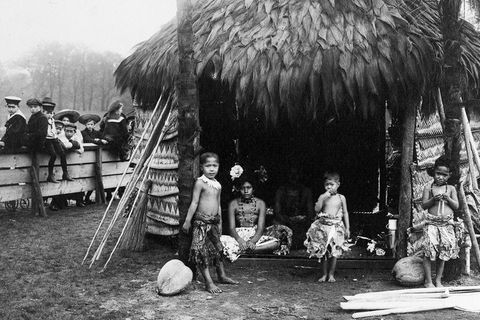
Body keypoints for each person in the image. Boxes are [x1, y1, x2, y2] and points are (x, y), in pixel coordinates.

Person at [182, 152, 238, 293]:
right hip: (201, 223)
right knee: (200, 252)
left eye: (215, 165)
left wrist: (220, 222)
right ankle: (208, 282)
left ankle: (222, 275)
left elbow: (218, 204)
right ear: (202, 167)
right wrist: (188, 221)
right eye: (208, 166)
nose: (212, 169)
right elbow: (194, 202)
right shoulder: (200, 182)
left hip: (214, 223)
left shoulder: (217, 185)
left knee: (218, 249)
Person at [221, 174, 292, 262]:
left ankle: (246, 250)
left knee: (275, 243)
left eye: (249, 188)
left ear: (253, 189)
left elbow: (261, 227)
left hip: (254, 235)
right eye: (243, 188)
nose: (246, 191)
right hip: (237, 236)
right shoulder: (233, 204)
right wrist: (240, 240)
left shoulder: (260, 203)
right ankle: (245, 249)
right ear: (239, 189)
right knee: (220, 241)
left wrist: (253, 241)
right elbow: (231, 228)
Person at [418, 156, 459, 288]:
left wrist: (448, 199)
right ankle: (428, 281)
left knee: (444, 251)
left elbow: (456, 206)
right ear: (433, 172)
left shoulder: (451, 189)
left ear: (449, 175)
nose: (440, 177)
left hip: (446, 225)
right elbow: (424, 205)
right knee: (429, 250)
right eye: (438, 174)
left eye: (444, 175)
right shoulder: (428, 188)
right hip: (432, 224)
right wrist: (433, 200)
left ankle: (438, 280)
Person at [304, 172, 350, 282]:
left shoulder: (341, 197)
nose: (329, 187)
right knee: (323, 251)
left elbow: (345, 213)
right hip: (323, 226)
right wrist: (323, 197)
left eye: (331, 184)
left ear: (338, 184)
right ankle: (324, 274)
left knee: (334, 251)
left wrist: (348, 228)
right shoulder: (323, 197)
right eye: (326, 185)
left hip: (335, 226)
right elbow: (316, 209)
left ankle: (331, 274)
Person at [274, 167, 314, 249]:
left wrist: (302, 218)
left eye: (296, 174)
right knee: (277, 223)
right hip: (285, 222)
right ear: (287, 176)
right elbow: (277, 212)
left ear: (300, 176)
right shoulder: (281, 191)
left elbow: (311, 213)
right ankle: (283, 246)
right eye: (291, 174)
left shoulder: (306, 191)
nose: (293, 177)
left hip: (302, 223)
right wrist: (289, 220)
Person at [42, 97, 73, 183]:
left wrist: (56, 136)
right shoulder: (43, 120)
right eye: (48, 113)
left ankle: (65, 173)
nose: (50, 115)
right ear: (43, 112)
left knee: (63, 153)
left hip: (54, 138)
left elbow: (54, 131)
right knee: (53, 155)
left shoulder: (52, 120)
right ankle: (50, 175)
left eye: (51, 113)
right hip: (47, 140)